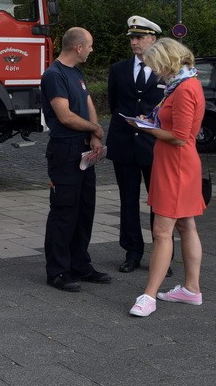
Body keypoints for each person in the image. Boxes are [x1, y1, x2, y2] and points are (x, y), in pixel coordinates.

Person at [128, 38, 206, 317]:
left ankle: (149, 297)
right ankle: (191, 289)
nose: (157, 72)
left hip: (176, 166)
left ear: (167, 61)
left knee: (162, 232)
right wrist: (150, 123)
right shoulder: (185, 83)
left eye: (157, 66)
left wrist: (145, 128)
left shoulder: (184, 88)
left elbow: (179, 138)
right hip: (178, 165)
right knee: (186, 226)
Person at [41, 27, 112, 292]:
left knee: (84, 211)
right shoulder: (54, 75)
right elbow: (65, 116)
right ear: (78, 48)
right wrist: (93, 129)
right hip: (65, 152)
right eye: (90, 46)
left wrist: (94, 136)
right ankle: (58, 271)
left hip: (83, 149)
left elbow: (88, 103)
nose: (92, 50)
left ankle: (80, 264)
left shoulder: (77, 73)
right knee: (64, 211)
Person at [106, 16, 165, 273]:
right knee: (127, 200)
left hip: (155, 146)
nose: (134, 42)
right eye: (131, 38)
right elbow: (113, 104)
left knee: (159, 202)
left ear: (153, 39)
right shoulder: (119, 69)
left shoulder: (167, 69)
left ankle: (162, 252)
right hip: (125, 144)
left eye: (139, 37)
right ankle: (132, 251)